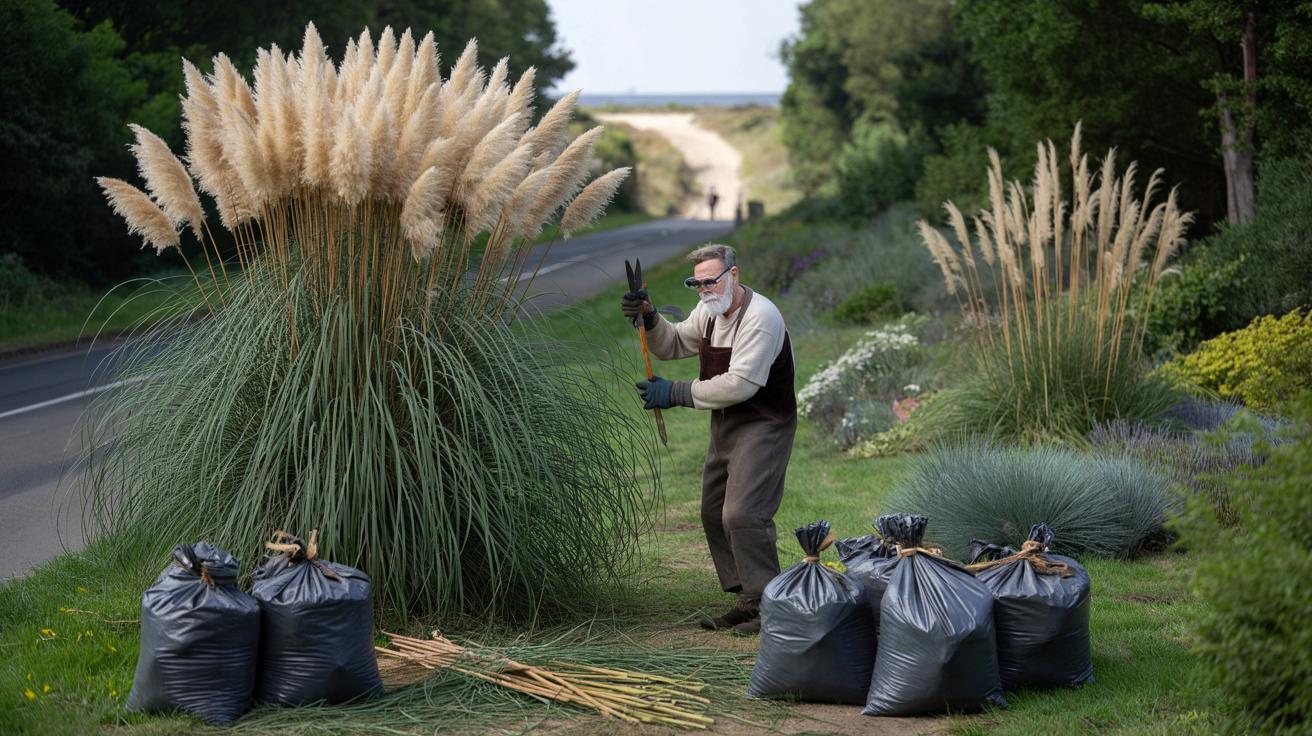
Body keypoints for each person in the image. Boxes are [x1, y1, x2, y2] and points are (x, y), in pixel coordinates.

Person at [620, 243, 796, 635]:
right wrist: (649, 318)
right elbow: (675, 344)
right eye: (697, 284)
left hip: (765, 424)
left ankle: (773, 609)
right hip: (727, 425)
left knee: (743, 514)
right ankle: (750, 599)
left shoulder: (761, 317)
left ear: (733, 275)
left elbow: (741, 384)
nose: (704, 290)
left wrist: (677, 393)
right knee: (712, 510)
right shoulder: (710, 310)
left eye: (711, 281)